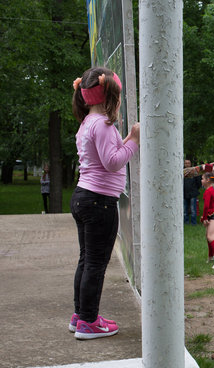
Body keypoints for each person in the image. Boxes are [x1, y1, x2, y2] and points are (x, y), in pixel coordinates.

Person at [69, 66, 139, 339]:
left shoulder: (88, 122)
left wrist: (125, 141)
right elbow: (112, 162)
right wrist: (133, 140)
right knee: (96, 263)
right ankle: (89, 321)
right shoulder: (105, 124)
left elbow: (104, 155)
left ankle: (81, 315)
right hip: (100, 203)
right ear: (111, 96)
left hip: (83, 197)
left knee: (86, 260)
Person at [183, 159, 201, 225]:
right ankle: (186, 222)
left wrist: (195, 189)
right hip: (184, 193)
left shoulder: (194, 171)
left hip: (193, 193)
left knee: (193, 209)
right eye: (186, 163)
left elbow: (199, 182)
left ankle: (194, 223)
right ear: (184, 164)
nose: (187, 164)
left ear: (190, 164)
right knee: (185, 209)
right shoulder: (182, 172)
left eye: (188, 163)